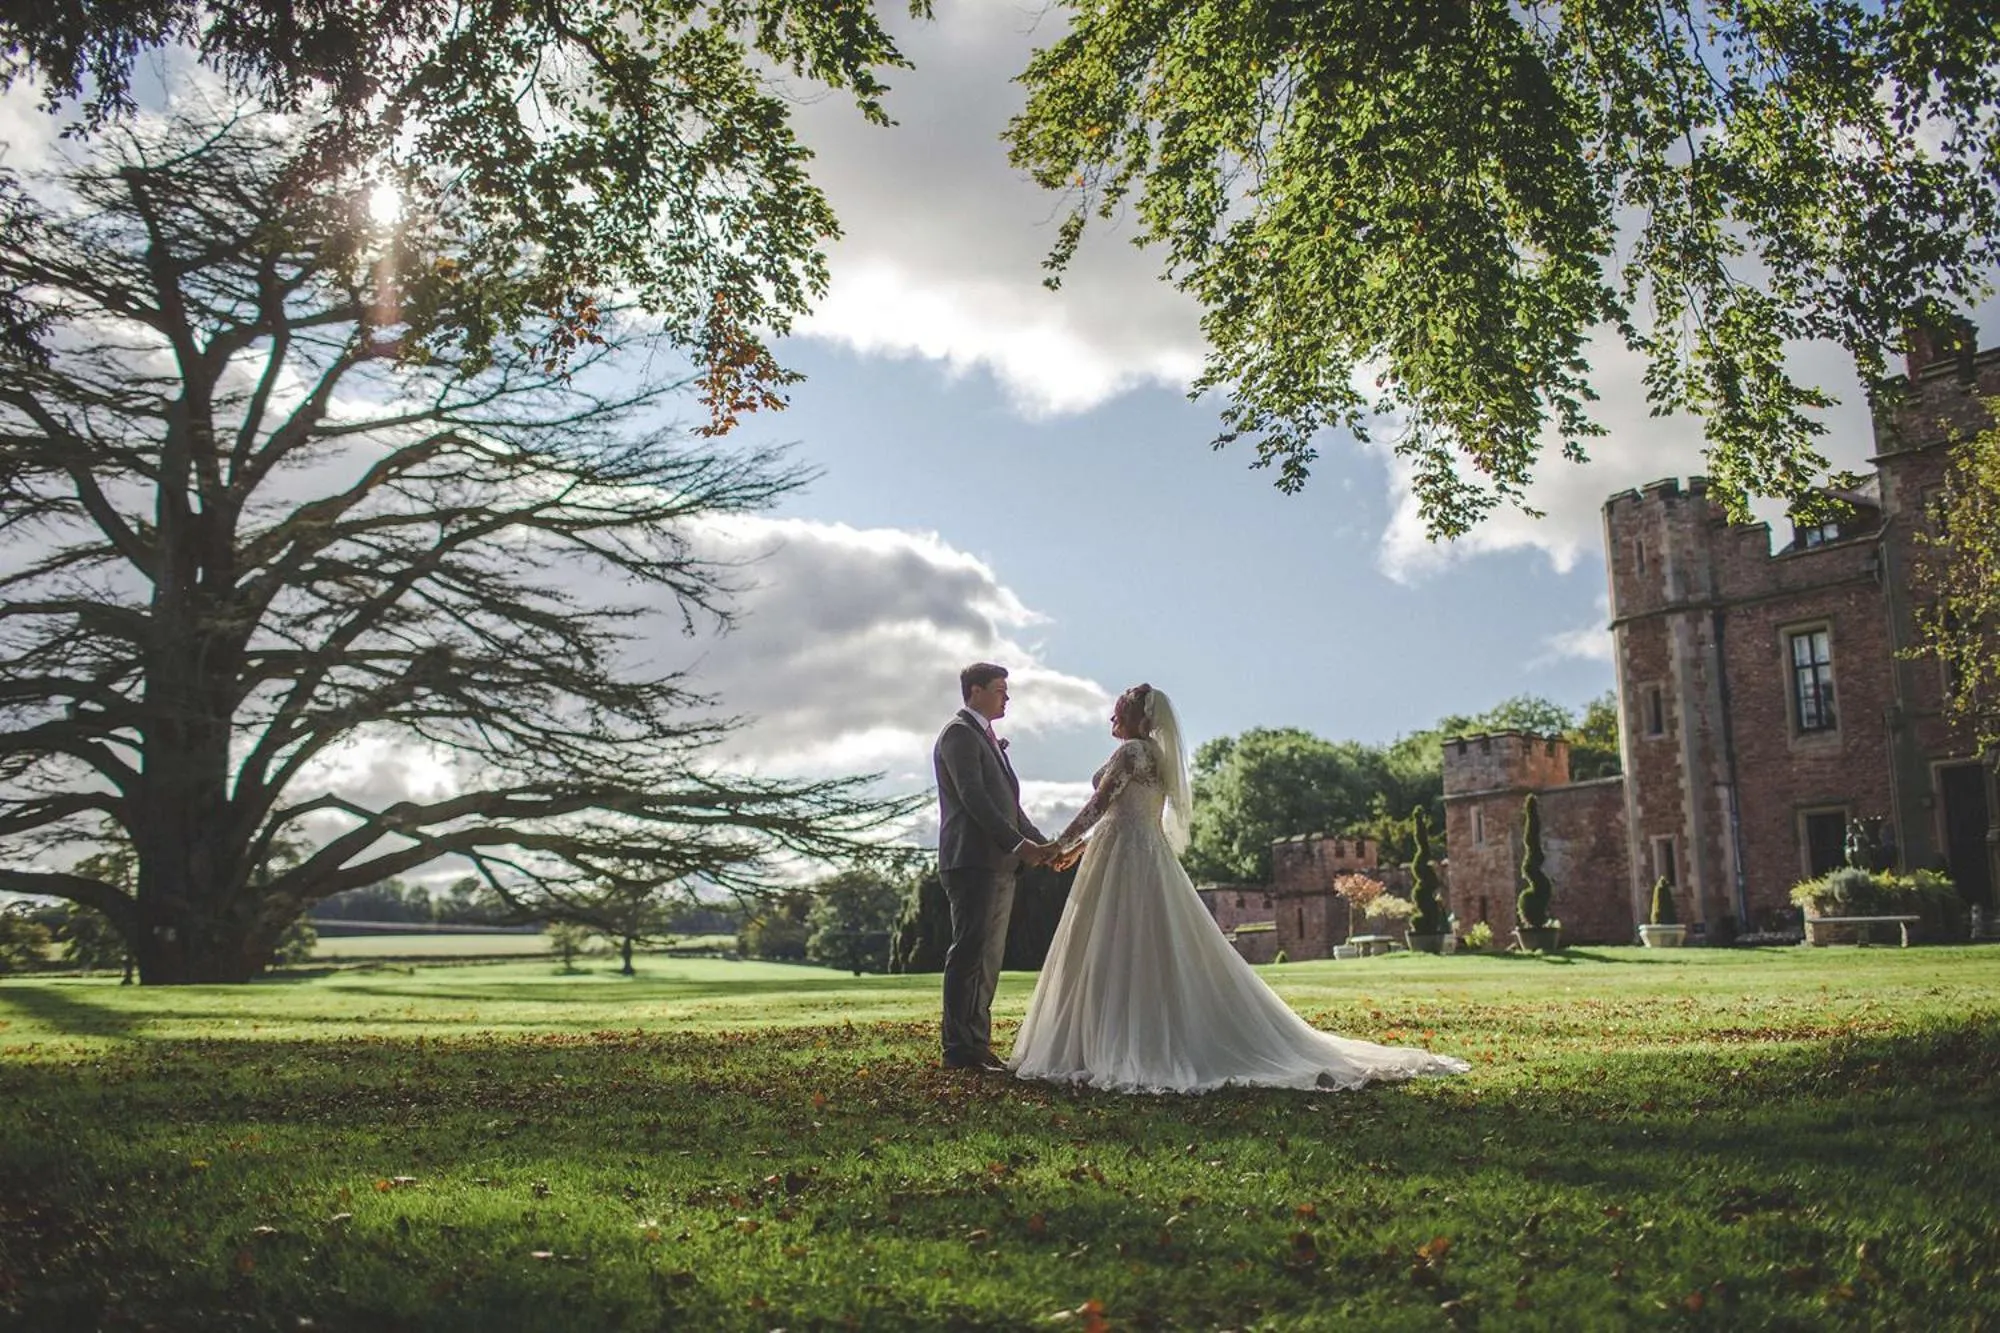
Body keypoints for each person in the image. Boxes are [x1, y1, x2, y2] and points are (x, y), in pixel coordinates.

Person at [1010, 683, 1469, 1093]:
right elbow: (1124, 818)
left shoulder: (1133, 753)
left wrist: (1056, 845)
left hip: (1127, 859)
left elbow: (1100, 805)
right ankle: (1109, 1037)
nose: (1111, 718)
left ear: (1139, 718)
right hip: (1132, 854)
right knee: (1132, 945)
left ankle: (1114, 1042)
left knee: (1119, 944)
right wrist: (1079, 851)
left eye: (1118, 711)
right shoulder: (1155, 757)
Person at [932, 662, 1051, 1072]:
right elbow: (974, 798)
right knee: (969, 954)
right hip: (972, 861)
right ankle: (959, 1050)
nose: (1007, 696)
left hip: (998, 864)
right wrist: (1019, 845)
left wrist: (1041, 844)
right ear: (975, 691)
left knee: (988, 958)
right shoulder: (959, 734)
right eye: (1000, 689)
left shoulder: (985, 738)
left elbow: (1009, 807)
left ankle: (977, 1046)